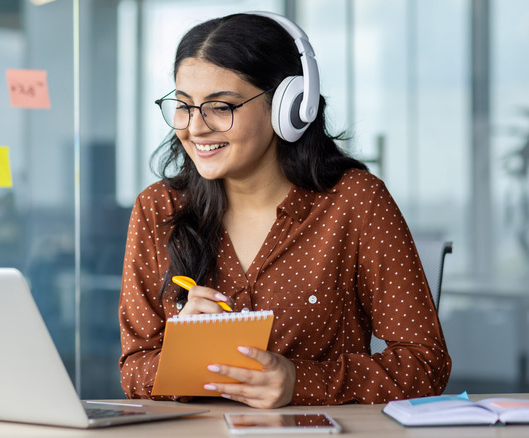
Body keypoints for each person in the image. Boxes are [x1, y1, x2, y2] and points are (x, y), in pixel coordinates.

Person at [118, 11, 451, 408]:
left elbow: (424, 364)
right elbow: (134, 368)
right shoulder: (159, 208)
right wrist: (185, 358)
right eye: (184, 106)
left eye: (221, 107)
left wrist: (299, 381)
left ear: (288, 107)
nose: (195, 127)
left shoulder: (355, 202)